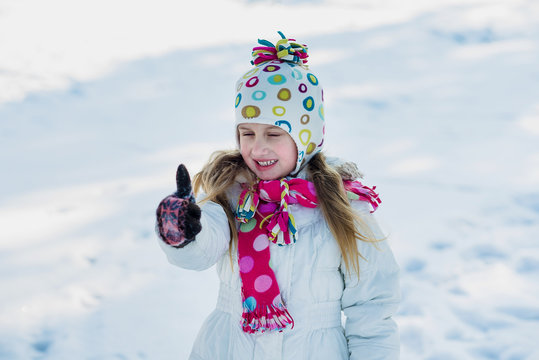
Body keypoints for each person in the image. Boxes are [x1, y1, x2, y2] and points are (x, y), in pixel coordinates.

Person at [156, 31, 400, 360]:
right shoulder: (232, 194)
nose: (258, 148)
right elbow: (201, 250)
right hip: (230, 348)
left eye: (274, 133)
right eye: (247, 133)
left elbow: (372, 307)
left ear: (306, 138)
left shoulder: (342, 205)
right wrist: (183, 233)